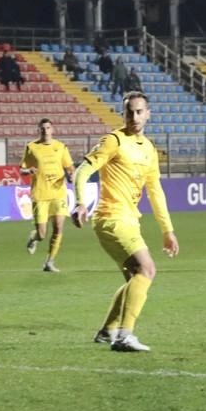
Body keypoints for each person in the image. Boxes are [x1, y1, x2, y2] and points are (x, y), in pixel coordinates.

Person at [71, 91, 179, 352]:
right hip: (111, 218)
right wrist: (80, 201)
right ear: (123, 114)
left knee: (135, 277)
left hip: (130, 220)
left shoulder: (150, 150)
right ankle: (124, 336)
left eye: (139, 111)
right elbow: (83, 170)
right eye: (130, 112)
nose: (134, 116)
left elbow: (155, 191)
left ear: (148, 113)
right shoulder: (113, 141)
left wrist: (168, 230)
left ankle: (108, 331)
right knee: (147, 270)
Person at [20, 118, 75, 272]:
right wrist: (28, 171)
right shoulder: (31, 147)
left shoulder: (61, 147)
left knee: (58, 228)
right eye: (42, 128)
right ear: (39, 130)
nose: (45, 131)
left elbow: (70, 167)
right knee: (42, 234)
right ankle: (34, 237)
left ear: (53, 129)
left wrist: (71, 175)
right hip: (40, 194)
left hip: (58, 193)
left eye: (48, 127)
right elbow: (22, 169)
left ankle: (49, 262)